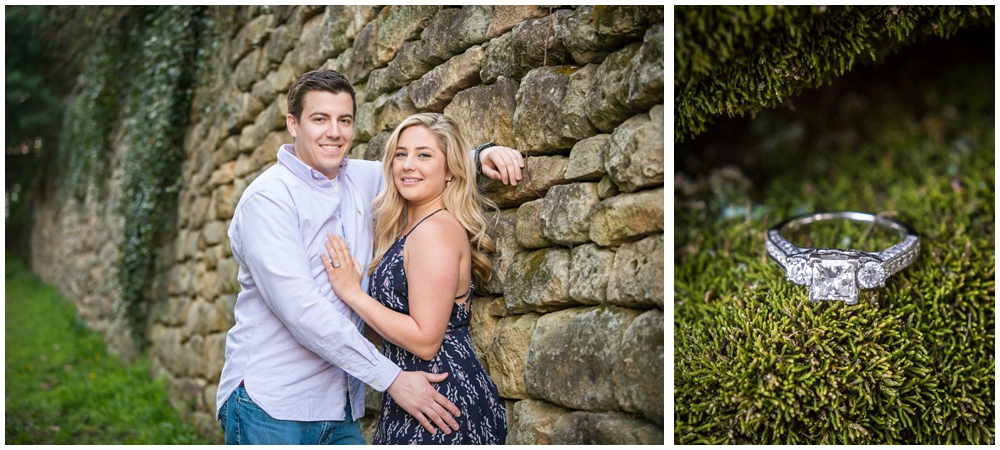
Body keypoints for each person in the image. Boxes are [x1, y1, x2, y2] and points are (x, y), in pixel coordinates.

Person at [215, 69, 523, 445]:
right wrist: (391, 378)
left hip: (339, 407)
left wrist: (481, 157)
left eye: (344, 120)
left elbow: (422, 172)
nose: (334, 132)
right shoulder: (269, 200)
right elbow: (303, 313)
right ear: (292, 124)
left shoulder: (361, 179)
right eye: (319, 119)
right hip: (273, 404)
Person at [321, 112, 506, 444]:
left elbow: (425, 339)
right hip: (416, 398)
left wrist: (353, 293)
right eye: (401, 154)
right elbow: (393, 330)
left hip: (444, 404)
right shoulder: (408, 229)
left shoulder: (436, 231)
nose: (408, 165)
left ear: (450, 170)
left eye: (424, 155)